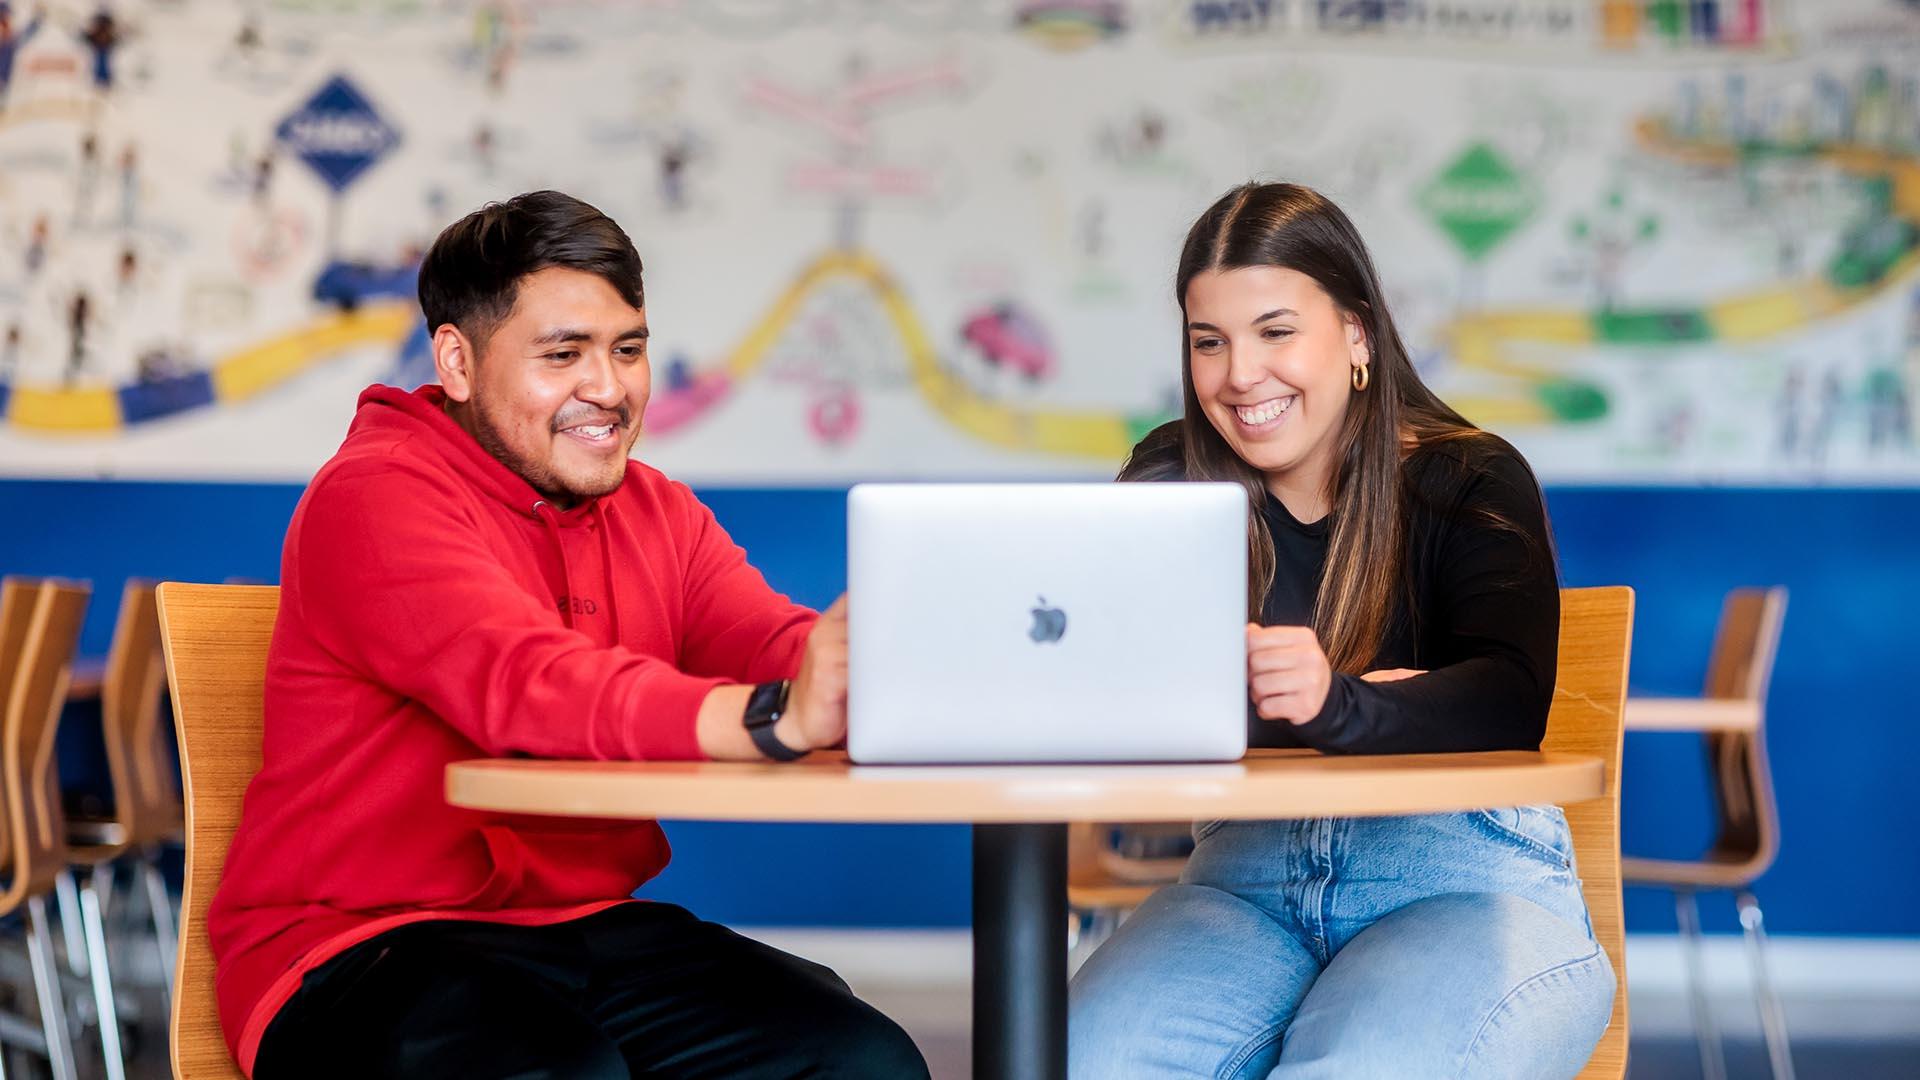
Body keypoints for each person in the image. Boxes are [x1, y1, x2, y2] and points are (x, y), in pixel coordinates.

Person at [214, 190, 928, 1079]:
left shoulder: (657, 509)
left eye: (628, 350)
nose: (609, 388)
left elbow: (770, 641)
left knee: (859, 1059)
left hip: (585, 930)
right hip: (359, 949)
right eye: (563, 355)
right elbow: (529, 684)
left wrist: (897, 674)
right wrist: (772, 718)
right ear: (458, 361)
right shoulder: (375, 495)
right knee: (560, 1072)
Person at [1068, 183, 1615, 1078]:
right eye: (1210, 342)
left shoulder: (1467, 475)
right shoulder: (1172, 477)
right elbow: (1133, 695)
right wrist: (1377, 704)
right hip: (1242, 883)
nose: (1240, 374)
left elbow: (1506, 701)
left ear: (1356, 333)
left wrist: (1332, 704)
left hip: (1463, 878)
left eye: (1276, 332)